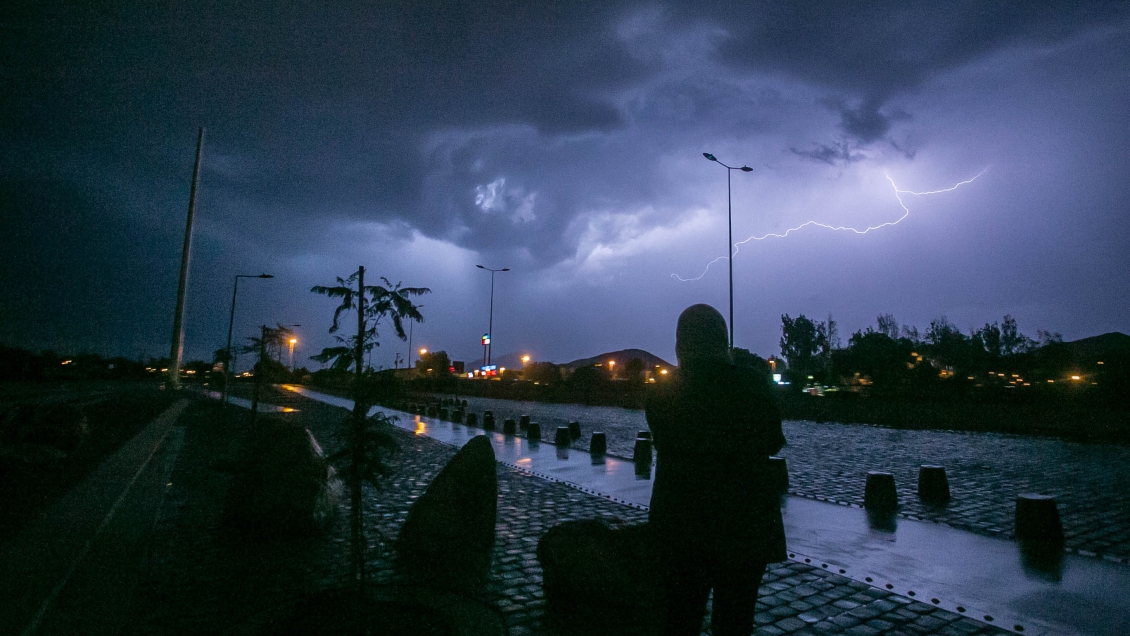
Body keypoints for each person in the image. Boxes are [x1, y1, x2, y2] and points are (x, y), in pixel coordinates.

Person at [645, 304, 786, 636]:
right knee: (735, 621)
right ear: (723, 342)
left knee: (681, 616)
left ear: (681, 345)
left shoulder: (662, 392)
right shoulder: (751, 386)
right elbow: (773, 441)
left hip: (682, 524)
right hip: (744, 526)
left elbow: (664, 440)